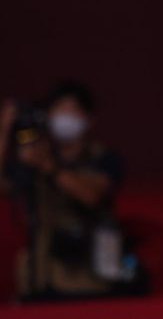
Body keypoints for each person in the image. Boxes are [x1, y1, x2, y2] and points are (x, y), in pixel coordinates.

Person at [0, 81, 144, 302]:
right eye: (58, 110)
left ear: (88, 119)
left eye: (72, 110)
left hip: (90, 281)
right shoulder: (32, 158)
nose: (64, 117)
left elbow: (91, 196)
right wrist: (4, 132)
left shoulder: (103, 159)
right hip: (39, 278)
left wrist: (49, 167)